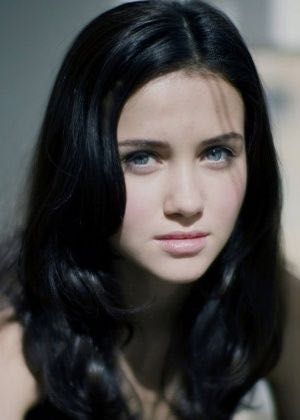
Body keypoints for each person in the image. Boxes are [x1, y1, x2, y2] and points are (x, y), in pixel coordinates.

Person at [0, 0, 298, 418]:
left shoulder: (273, 303)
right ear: (81, 165)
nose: (187, 203)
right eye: (141, 158)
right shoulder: (16, 345)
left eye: (216, 152)